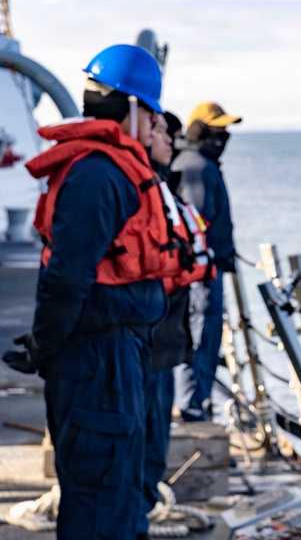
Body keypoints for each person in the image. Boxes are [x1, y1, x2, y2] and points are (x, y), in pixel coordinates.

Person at [2, 44, 173, 539]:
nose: (155, 123)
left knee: (118, 489)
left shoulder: (111, 169)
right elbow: (67, 276)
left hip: (118, 353)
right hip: (98, 358)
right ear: (134, 108)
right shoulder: (99, 175)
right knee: (99, 497)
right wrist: (45, 345)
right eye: (152, 112)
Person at [139, 111, 215, 537]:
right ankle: (137, 510)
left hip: (166, 337)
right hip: (147, 338)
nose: (171, 140)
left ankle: (145, 505)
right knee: (139, 431)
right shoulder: (137, 188)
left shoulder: (162, 186)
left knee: (155, 433)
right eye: (163, 133)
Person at [171, 101, 241, 422]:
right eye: (217, 128)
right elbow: (195, 225)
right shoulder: (195, 166)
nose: (223, 135)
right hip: (200, 275)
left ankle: (197, 406)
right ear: (200, 129)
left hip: (208, 270)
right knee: (199, 340)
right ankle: (192, 410)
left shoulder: (200, 163)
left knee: (205, 340)